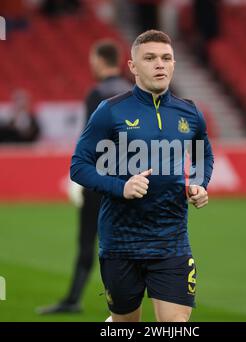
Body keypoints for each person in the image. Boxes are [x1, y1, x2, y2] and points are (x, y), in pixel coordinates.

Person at [71, 30, 214, 322]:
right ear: (133, 66)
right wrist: (121, 187)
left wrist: (199, 183)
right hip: (120, 242)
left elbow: (203, 156)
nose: (159, 64)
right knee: (125, 323)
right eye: (149, 58)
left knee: (175, 325)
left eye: (166, 58)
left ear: (174, 64)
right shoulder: (110, 111)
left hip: (171, 242)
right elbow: (79, 165)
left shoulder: (190, 113)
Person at [37, 41, 132, 314]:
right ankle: (129, 303)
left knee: (88, 240)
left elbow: (92, 141)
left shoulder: (98, 94)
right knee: (123, 242)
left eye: (93, 59)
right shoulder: (132, 93)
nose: (90, 64)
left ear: (102, 61)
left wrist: (80, 177)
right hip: (127, 182)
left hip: (100, 181)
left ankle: (73, 299)